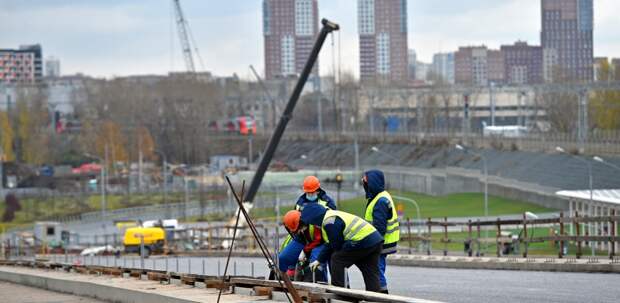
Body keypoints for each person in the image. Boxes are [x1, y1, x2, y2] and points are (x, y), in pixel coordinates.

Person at [299, 204, 384, 292]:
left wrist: (320, 259)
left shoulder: (329, 222)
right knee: (369, 270)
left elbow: (336, 245)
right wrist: (319, 260)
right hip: (375, 240)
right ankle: (374, 295)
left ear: (314, 218)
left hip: (362, 240)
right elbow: (330, 243)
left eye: (311, 222)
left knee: (337, 259)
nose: (312, 225)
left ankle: (339, 291)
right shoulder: (331, 215)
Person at [278, 176, 336, 281]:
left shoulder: (327, 203)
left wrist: (306, 251)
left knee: (316, 266)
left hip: (321, 240)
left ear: (318, 190)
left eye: (312, 192)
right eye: (307, 192)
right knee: (283, 257)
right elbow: (295, 222)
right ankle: (283, 281)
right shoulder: (300, 203)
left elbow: (331, 223)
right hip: (302, 238)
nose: (310, 194)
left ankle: (320, 288)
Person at [361, 170, 399, 294]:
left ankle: (382, 295)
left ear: (373, 183)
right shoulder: (379, 196)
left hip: (380, 242)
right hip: (382, 241)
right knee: (377, 269)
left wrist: (372, 244)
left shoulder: (380, 201)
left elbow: (380, 228)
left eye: (366, 182)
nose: (364, 184)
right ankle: (380, 294)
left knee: (376, 270)